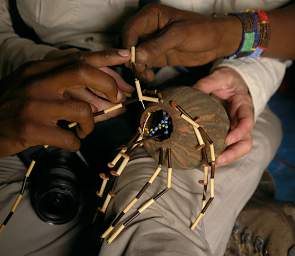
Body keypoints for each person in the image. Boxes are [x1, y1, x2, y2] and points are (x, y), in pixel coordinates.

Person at [0, 1, 291, 256]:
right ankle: (227, 222)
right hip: (50, 93)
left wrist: (237, 58)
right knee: (19, 225)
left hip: (198, 94)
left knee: (153, 208)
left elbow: (275, 32)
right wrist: (43, 66)